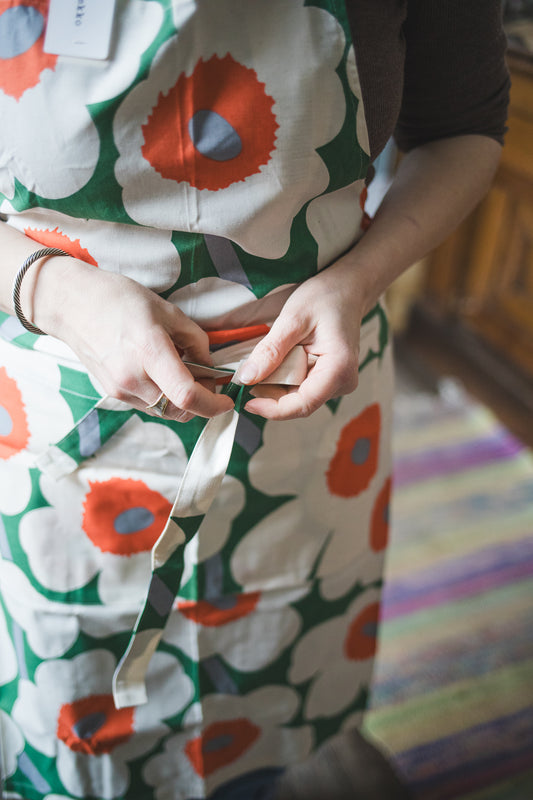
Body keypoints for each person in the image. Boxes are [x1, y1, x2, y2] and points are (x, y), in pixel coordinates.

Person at [0, 2, 508, 799]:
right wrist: (54, 293)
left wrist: (354, 283)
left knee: (275, 670)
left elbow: (462, 128)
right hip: (55, 417)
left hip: (308, 410)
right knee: (74, 699)